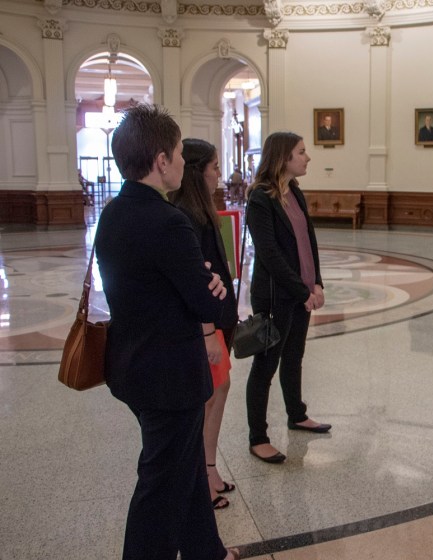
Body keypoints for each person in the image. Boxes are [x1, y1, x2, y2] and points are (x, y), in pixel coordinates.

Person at [95, 104, 239, 560]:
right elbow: (209, 302)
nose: (182, 162)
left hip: (132, 367)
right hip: (169, 377)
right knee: (160, 487)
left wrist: (200, 285)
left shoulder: (113, 213)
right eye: (178, 153)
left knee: (187, 468)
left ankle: (207, 553)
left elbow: (152, 288)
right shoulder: (169, 222)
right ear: (161, 161)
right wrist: (213, 288)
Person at [245, 131, 331, 464]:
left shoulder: (294, 192)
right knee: (265, 365)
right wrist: (301, 290)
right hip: (275, 296)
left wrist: (318, 283)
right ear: (283, 157)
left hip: (301, 292)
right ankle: (258, 437)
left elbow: (307, 242)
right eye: (301, 152)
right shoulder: (260, 199)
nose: (307, 157)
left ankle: (297, 414)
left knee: (293, 357)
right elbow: (269, 253)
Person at [169, 138, 239, 511]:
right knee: (208, 397)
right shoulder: (185, 217)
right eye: (214, 165)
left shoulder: (203, 210)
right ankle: (200, 477)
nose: (218, 173)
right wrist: (208, 331)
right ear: (198, 171)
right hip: (204, 327)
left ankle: (208, 468)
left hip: (218, 322)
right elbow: (194, 282)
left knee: (219, 392)